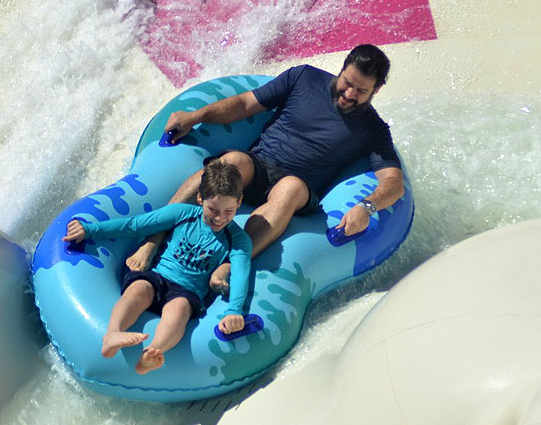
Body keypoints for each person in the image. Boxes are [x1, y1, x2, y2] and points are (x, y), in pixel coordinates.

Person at [126, 44, 405, 292]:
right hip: (258, 165)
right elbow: (246, 103)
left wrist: (366, 208)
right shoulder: (304, 77)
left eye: (361, 90)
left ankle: (230, 265)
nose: (349, 93)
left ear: (377, 90)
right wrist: (198, 116)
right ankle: (154, 237)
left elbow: (393, 182)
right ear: (342, 68)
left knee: (291, 186)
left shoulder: (373, 129)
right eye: (347, 82)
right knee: (233, 161)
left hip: (297, 188)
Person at [62, 160, 252, 374]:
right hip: (158, 276)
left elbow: (240, 273)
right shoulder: (182, 214)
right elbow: (135, 225)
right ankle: (113, 334)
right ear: (200, 198)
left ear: (239, 202)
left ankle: (153, 352)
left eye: (228, 211)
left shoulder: (238, 239)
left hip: (188, 292)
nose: (219, 218)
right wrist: (89, 230)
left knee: (179, 310)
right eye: (212, 209)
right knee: (139, 289)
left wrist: (234, 310)